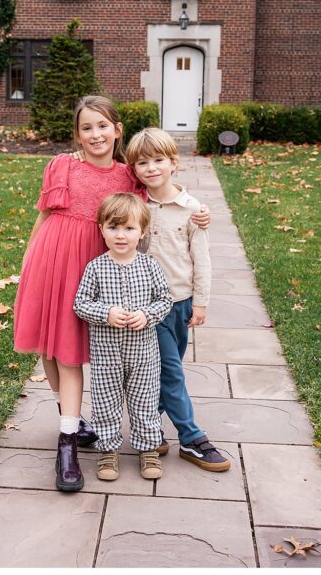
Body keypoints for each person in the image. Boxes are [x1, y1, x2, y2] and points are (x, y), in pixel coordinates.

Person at [12, 95, 208, 492]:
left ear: (118, 130)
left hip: (99, 267)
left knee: (76, 351)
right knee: (52, 348)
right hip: (53, 261)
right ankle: (72, 420)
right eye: (86, 128)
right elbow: (44, 216)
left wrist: (196, 210)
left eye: (103, 126)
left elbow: (162, 188)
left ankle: (71, 437)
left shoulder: (128, 178)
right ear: (77, 134)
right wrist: (28, 264)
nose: (95, 134)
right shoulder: (63, 166)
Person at [126, 127, 230, 472]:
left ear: (174, 163)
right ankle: (192, 439)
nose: (151, 168)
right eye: (142, 163)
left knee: (166, 371)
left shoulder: (193, 210)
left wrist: (200, 303)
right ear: (134, 168)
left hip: (182, 303)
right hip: (149, 308)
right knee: (171, 373)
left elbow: (202, 259)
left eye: (158, 160)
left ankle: (149, 428)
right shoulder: (135, 206)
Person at [73, 193, 172, 481]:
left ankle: (148, 448)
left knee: (145, 403)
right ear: (101, 229)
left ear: (142, 232)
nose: (120, 235)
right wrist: (105, 313)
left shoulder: (150, 266)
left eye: (128, 228)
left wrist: (147, 315)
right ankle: (108, 450)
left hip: (143, 354)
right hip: (106, 355)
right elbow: (81, 303)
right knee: (105, 403)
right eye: (113, 227)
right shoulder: (95, 267)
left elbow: (164, 300)